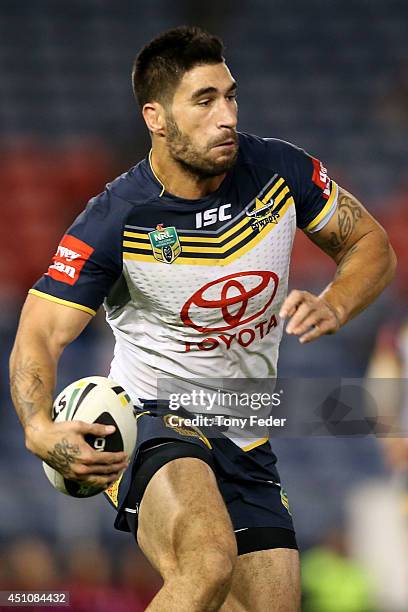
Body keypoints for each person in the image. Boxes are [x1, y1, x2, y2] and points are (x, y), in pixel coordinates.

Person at [9, 26, 396, 612]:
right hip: (151, 418)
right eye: (204, 101)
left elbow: (371, 243)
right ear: (156, 118)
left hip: (245, 427)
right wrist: (38, 427)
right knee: (207, 562)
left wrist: (337, 302)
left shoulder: (277, 170)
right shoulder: (117, 216)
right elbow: (38, 330)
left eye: (231, 96)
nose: (227, 117)